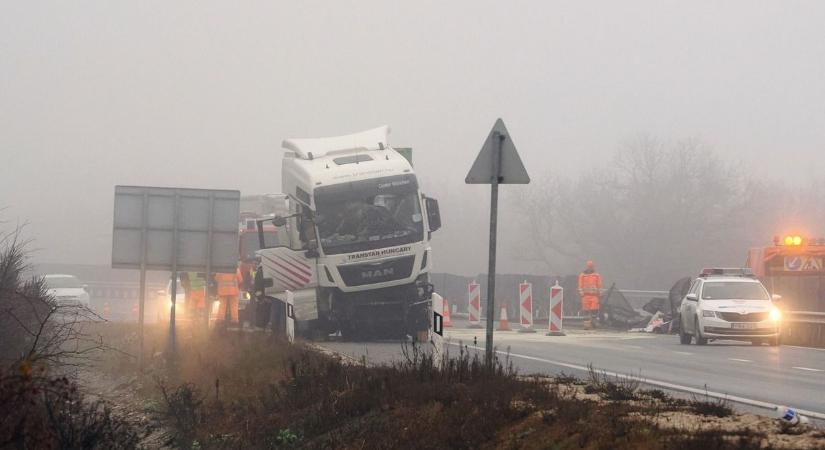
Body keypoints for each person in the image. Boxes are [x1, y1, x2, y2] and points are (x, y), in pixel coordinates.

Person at [578, 261, 602, 328]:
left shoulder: (596, 275)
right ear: (587, 267)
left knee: (594, 310)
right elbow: (580, 285)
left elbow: (599, 285)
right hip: (585, 296)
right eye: (589, 267)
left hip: (594, 296)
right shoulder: (582, 275)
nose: (590, 268)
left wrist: (600, 294)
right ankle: (587, 325)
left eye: (591, 267)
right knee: (586, 311)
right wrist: (581, 293)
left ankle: (593, 324)